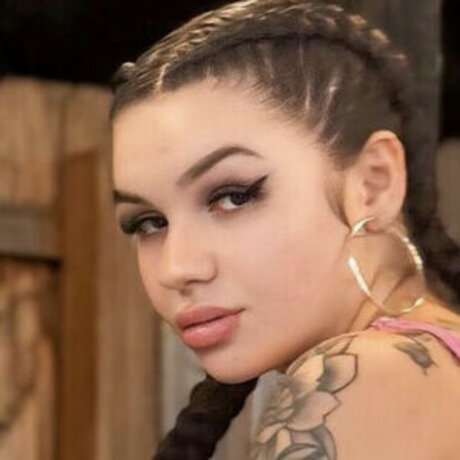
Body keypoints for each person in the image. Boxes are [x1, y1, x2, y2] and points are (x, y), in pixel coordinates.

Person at [109, 0, 460, 458]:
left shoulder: (365, 377)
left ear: (374, 183)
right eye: (149, 223)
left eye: (233, 196)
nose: (176, 268)